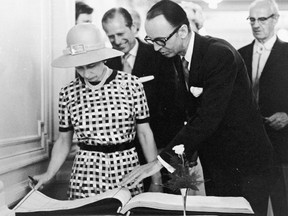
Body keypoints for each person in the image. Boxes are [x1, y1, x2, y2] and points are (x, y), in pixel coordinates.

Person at [120, 1, 273, 215]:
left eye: (160, 40)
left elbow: (207, 118)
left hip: (245, 162)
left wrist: (160, 162)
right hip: (215, 162)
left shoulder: (219, 55)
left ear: (183, 30)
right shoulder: (175, 56)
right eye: (151, 40)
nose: (155, 47)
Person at [31, 23, 161, 199]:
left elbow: (145, 133)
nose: (85, 74)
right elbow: (63, 140)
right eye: (79, 67)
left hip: (127, 168)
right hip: (85, 172)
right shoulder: (68, 92)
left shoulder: (131, 85)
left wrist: (156, 179)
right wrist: (49, 174)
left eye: (90, 66)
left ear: (103, 58)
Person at [238, 0, 288, 215]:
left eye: (262, 19)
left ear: (275, 19)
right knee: (252, 205)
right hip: (250, 145)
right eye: (252, 19)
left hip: (282, 143)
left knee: (283, 204)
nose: (256, 25)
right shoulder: (239, 54)